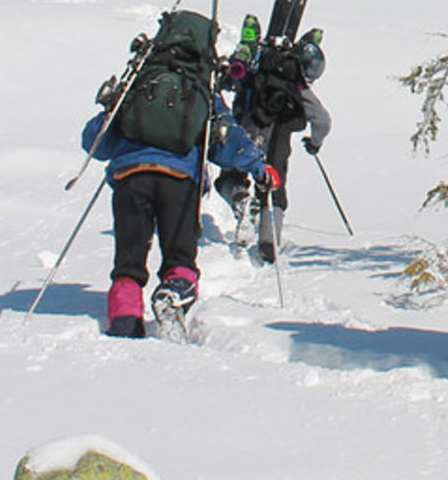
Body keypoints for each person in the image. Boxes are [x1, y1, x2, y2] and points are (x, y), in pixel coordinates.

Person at [81, 86, 266, 337]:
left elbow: (96, 143)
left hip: (130, 177)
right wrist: (257, 165)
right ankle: (175, 293)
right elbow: (226, 142)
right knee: (180, 259)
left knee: (128, 263)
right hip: (180, 179)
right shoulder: (202, 85)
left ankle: (125, 325)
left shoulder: (139, 79)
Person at [215, 20, 331, 263]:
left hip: (245, 132)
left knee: (229, 177)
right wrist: (314, 143)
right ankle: (269, 244)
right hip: (278, 140)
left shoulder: (259, 67)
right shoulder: (297, 86)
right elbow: (322, 119)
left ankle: (240, 200)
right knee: (274, 187)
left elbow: (227, 82)